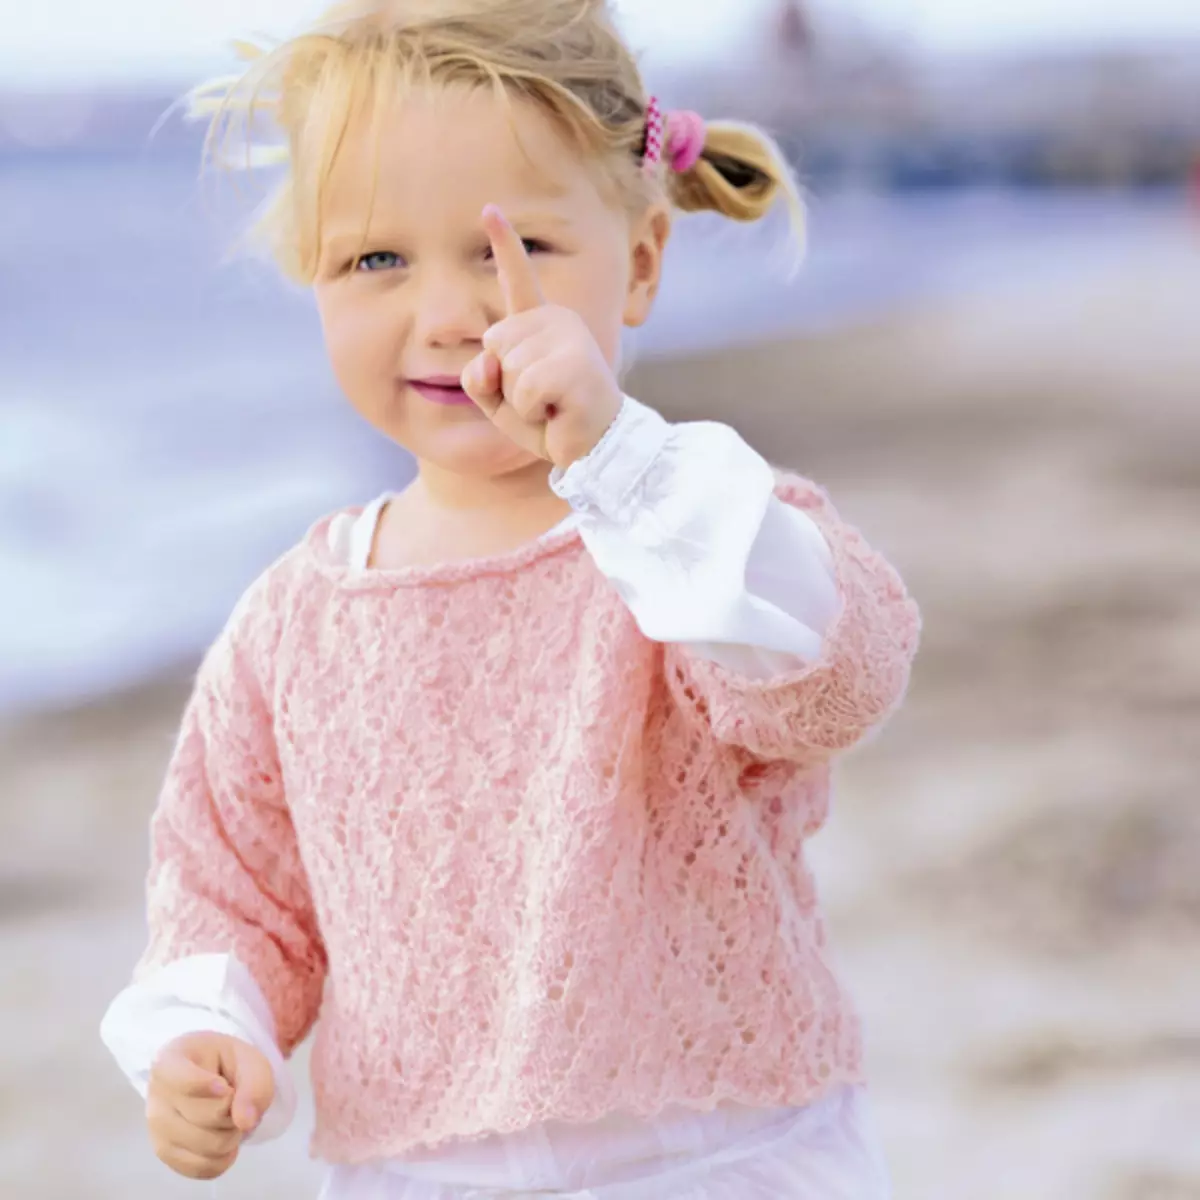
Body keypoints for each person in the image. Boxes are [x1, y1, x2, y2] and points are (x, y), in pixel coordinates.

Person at [100, 1, 921, 1196]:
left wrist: (622, 463)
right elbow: (230, 890)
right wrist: (205, 1035)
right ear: (311, 280)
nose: (448, 314)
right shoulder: (296, 621)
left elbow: (837, 677)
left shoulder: (684, 531)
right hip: (413, 1171)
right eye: (375, 258)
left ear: (638, 263)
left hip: (722, 1153)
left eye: (504, 249)